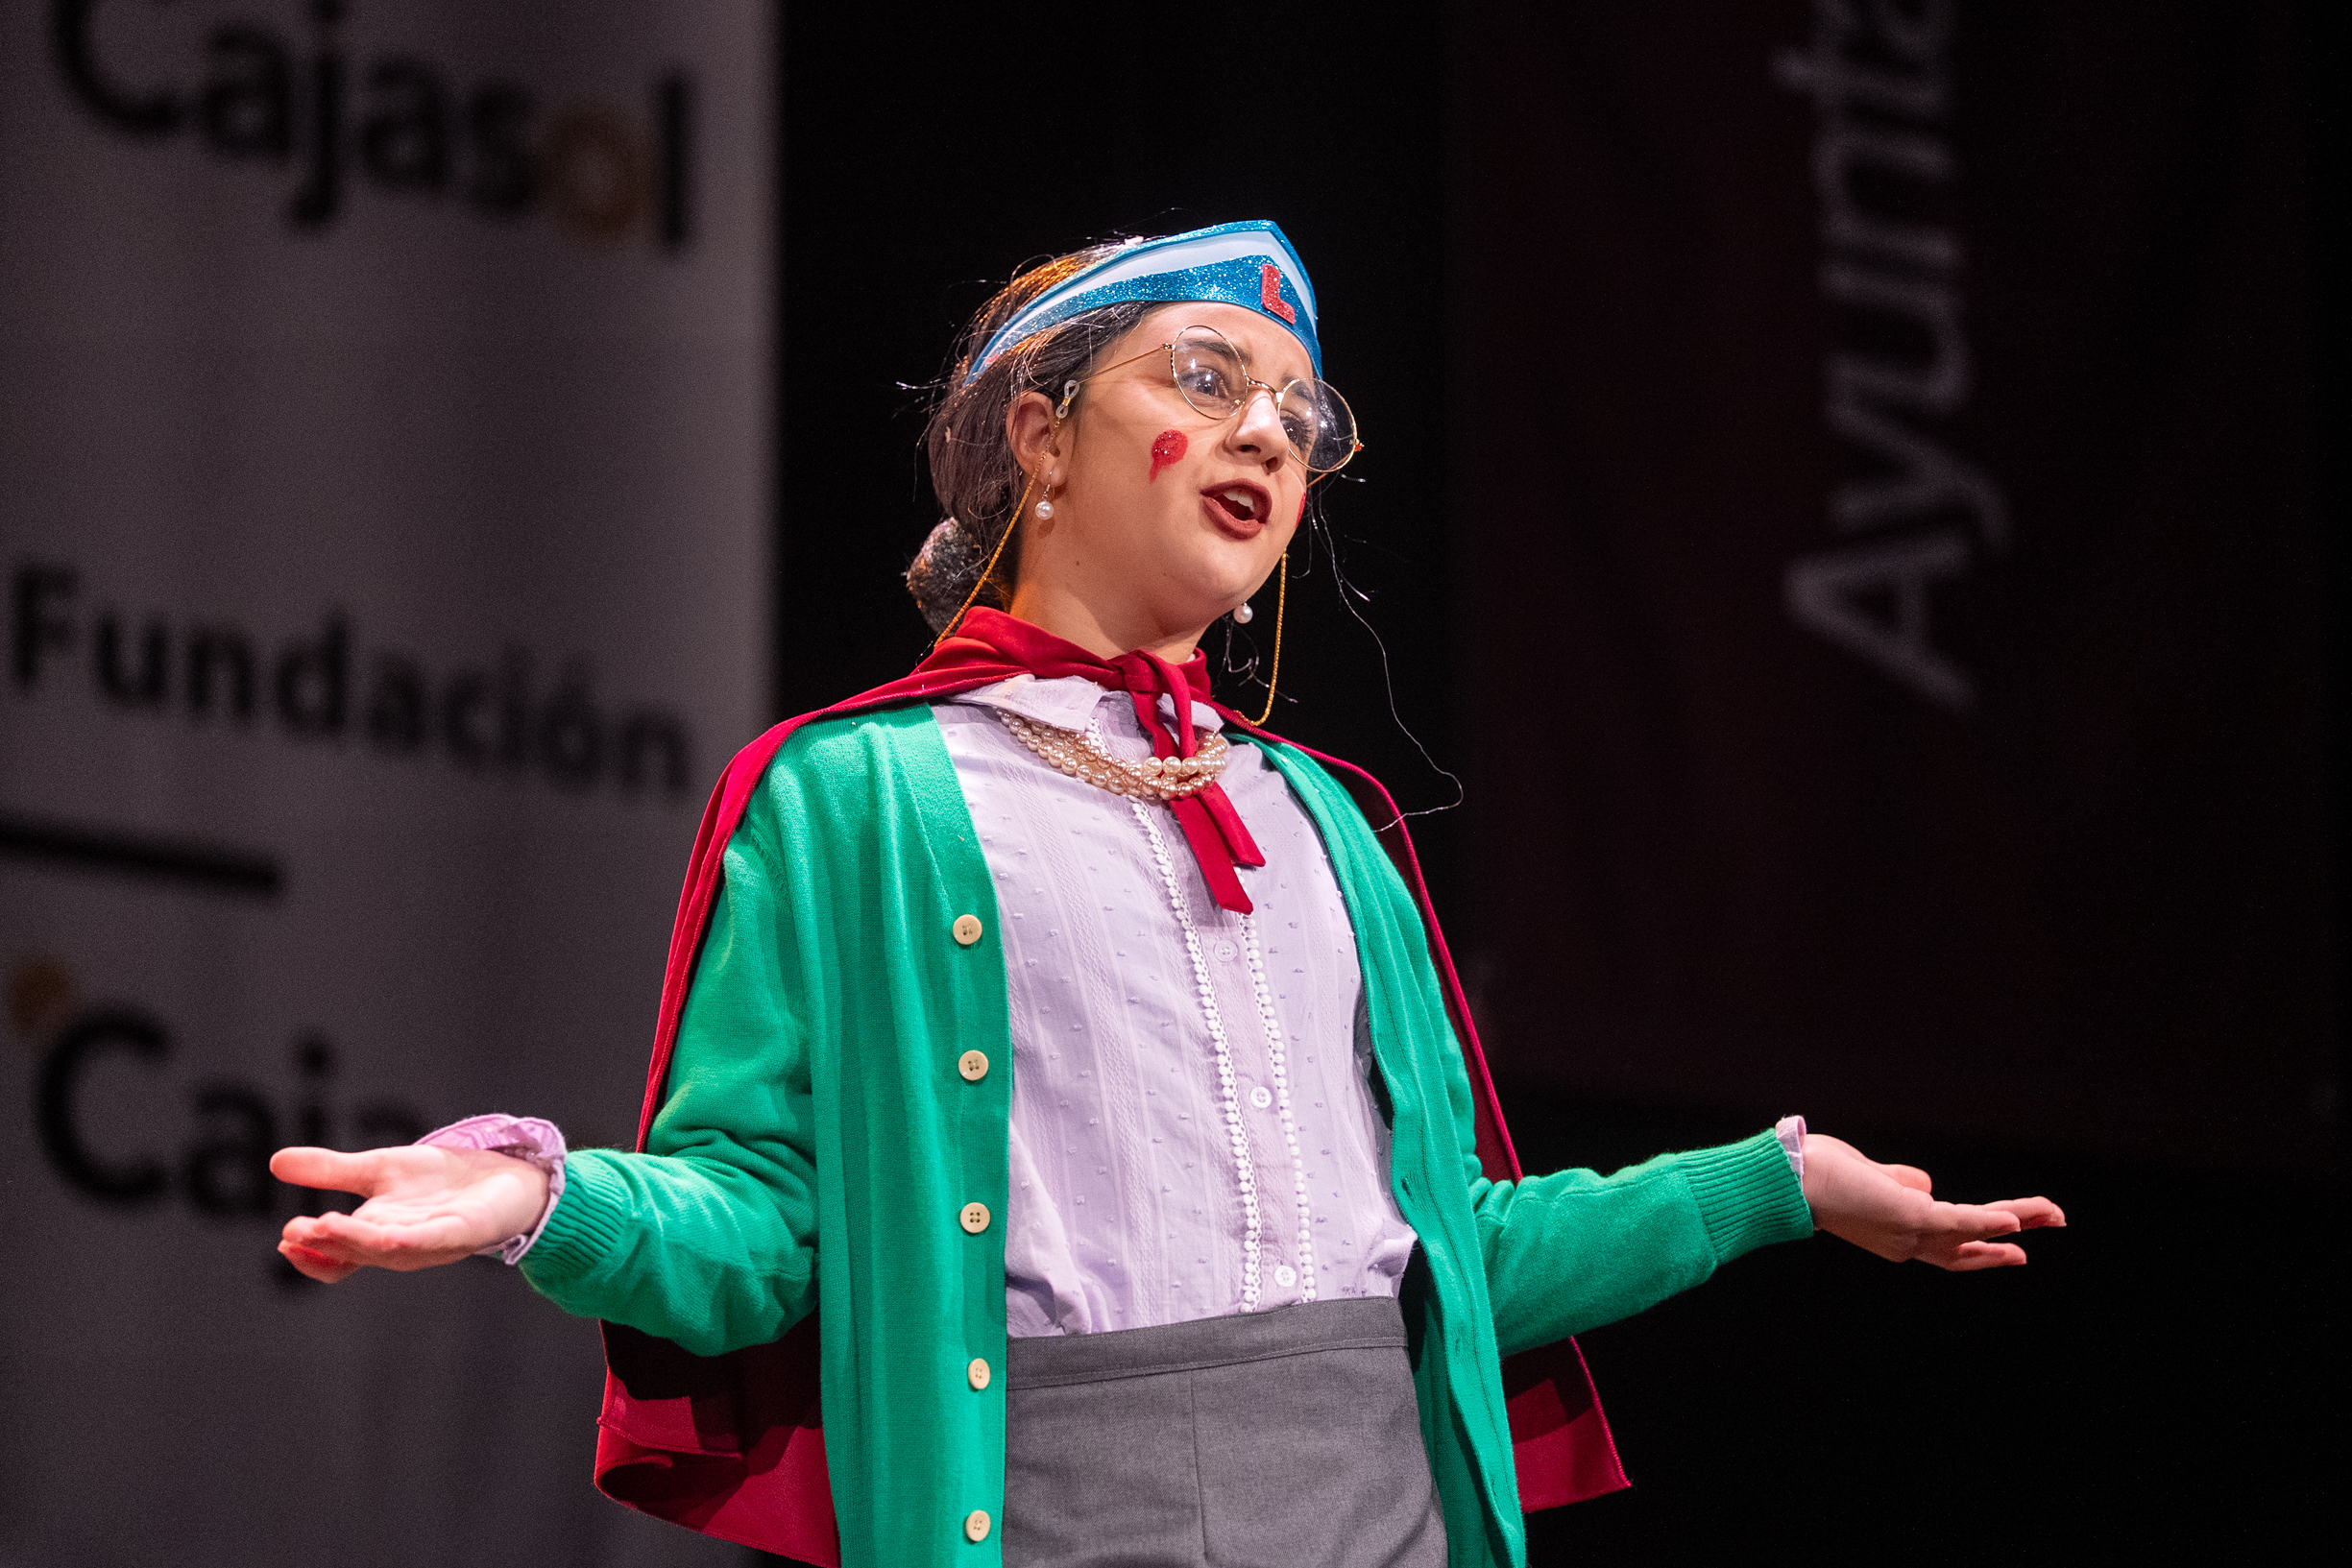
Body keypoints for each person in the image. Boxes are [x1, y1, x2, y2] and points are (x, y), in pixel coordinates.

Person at [270, 222, 2063, 1568]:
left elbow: (1456, 1259)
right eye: (1203, 380)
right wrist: (535, 1193)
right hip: (1057, 1506)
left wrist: (1771, 1183)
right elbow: (766, 1228)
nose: (1269, 437)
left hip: (1385, 1503)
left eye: (1296, 413)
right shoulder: (858, 795)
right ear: (1042, 440)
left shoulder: (1327, 821)